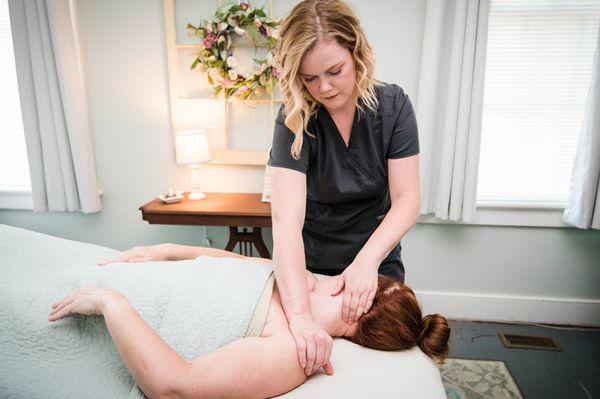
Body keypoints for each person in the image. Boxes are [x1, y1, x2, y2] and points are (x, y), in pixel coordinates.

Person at [46, 244, 450, 399]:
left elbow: (176, 386)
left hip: (110, 304)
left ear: (357, 315)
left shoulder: (292, 351)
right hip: (132, 274)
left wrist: (111, 303)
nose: (342, 276)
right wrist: (167, 251)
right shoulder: (302, 280)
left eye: (354, 286)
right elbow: (234, 264)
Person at [267, 0, 421, 377]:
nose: (324, 87)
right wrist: (301, 314)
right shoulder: (294, 118)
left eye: (334, 71)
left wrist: (366, 264)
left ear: (357, 53)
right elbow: (286, 224)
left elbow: (408, 199)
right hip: (313, 274)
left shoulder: (393, 106)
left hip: (376, 265)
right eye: (309, 78)